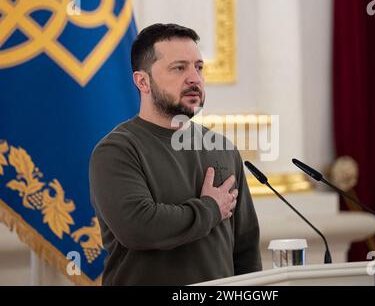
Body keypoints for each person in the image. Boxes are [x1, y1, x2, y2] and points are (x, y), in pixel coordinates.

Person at [89, 23, 262, 285]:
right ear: (142, 81)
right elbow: (139, 227)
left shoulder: (222, 148)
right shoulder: (116, 151)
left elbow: (245, 247)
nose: (194, 78)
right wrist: (210, 209)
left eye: (199, 67)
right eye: (179, 68)